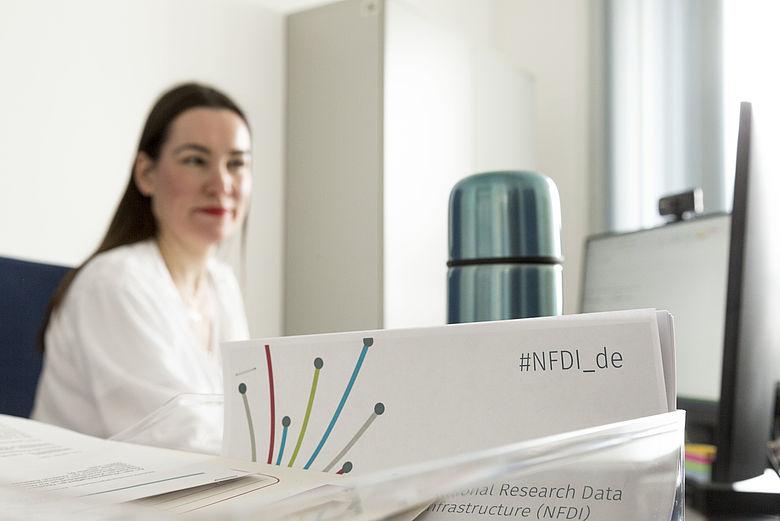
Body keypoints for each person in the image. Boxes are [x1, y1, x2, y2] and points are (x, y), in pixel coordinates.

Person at [31, 83, 252, 452]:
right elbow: (173, 442)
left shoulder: (222, 284)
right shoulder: (115, 283)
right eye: (196, 160)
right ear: (146, 174)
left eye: (237, 163)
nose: (222, 184)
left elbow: (250, 419)